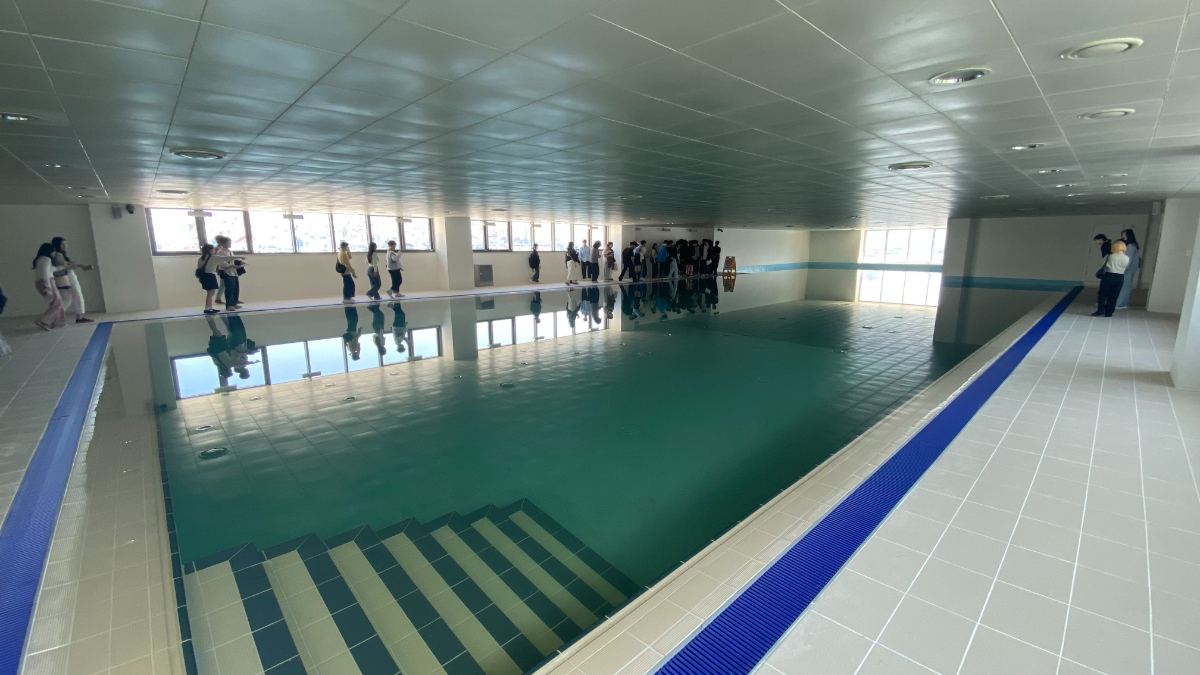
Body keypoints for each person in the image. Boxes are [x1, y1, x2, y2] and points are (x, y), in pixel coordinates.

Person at [50, 236, 95, 323]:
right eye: (63, 244)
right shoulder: (58, 255)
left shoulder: (58, 254)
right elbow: (66, 266)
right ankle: (79, 317)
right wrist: (81, 266)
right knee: (77, 295)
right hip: (68, 276)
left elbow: (66, 265)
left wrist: (80, 266)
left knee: (67, 298)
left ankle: (54, 317)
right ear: (58, 245)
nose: (65, 245)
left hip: (65, 277)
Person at [33, 243, 68, 330]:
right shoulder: (46, 259)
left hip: (42, 282)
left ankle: (58, 322)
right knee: (57, 303)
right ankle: (43, 320)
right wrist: (48, 286)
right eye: (53, 251)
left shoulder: (40, 259)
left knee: (56, 302)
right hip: (47, 282)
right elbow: (45, 273)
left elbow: (52, 270)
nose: (54, 253)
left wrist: (63, 266)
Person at [196, 244, 239, 314]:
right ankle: (207, 308)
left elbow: (199, 267)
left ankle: (210, 307)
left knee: (209, 293)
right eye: (213, 249)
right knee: (211, 293)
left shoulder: (200, 258)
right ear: (210, 250)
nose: (214, 250)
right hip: (210, 275)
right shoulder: (214, 257)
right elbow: (226, 258)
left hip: (203, 276)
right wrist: (239, 257)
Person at [1093, 240, 1129, 317]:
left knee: (1103, 294)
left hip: (1109, 276)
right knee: (1114, 295)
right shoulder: (1126, 258)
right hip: (1120, 277)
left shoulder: (1111, 256)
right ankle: (1109, 312)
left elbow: (1107, 266)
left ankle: (1100, 310)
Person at [213, 235, 243, 311]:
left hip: (233, 272)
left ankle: (234, 303)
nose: (230, 244)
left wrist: (239, 263)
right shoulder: (220, 252)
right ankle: (229, 305)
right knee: (229, 289)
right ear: (223, 243)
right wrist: (231, 266)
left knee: (235, 288)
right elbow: (221, 263)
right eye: (228, 243)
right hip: (227, 272)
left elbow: (232, 260)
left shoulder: (229, 251)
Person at [1116, 229, 1140, 310]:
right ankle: (1123, 303)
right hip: (1130, 269)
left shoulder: (1130, 246)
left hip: (1127, 270)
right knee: (1126, 287)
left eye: (1124, 234)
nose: (1123, 236)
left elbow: (1128, 259)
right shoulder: (1133, 245)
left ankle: (1121, 304)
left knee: (1124, 287)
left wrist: (1124, 269)